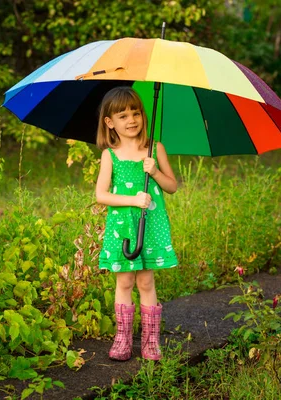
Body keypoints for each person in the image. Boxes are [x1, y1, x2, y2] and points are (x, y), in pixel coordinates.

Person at [95, 86, 178, 361]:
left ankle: (151, 341)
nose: (131, 120)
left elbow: (172, 186)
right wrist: (133, 199)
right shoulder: (110, 155)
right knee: (125, 281)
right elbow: (101, 195)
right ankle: (122, 338)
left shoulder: (155, 149)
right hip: (123, 228)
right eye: (122, 115)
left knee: (145, 281)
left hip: (149, 225)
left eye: (136, 113)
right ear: (110, 123)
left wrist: (154, 171)